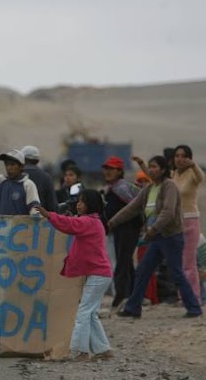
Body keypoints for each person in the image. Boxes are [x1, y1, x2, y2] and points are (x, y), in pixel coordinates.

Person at [111, 155, 202, 319]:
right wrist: (111, 222)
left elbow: (168, 212)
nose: (151, 169)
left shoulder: (169, 187)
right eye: (150, 166)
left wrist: (153, 229)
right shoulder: (149, 189)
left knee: (176, 273)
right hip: (157, 238)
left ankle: (194, 307)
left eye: (154, 166)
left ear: (162, 170)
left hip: (171, 236)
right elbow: (132, 208)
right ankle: (133, 308)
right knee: (143, 271)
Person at [36, 189, 113, 361]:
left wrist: (49, 215)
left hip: (98, 274)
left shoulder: (88, 222)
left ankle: (79, 351)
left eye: (82, 201)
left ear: (91, 205)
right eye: (78, 201)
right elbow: (73, 223)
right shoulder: (94, 221)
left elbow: (69, 225)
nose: (79, 204)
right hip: (101, 274)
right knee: (90, 313)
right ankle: (102, 350)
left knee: (83, 312)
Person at [101, 155, 142, 309]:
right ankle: (131, 295)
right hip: (120, 230)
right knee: (126, 263)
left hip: (127, 229)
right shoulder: (113, 188)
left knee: (122, 264)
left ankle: (120, 297)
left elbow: (133, 208)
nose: (107, 172)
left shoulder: (121, 188)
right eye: (106, 169)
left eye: (111, 169)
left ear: (119, 171)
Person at [171, 144, 204, 302]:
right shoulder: (174, 174)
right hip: (176, 222)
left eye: (183, 156)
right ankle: (182, 296)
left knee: (189, 262)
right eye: (177, 156)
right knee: (178, 261)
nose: (180, 159)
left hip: (191, 219)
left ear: (189, 158)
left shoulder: (192, 173)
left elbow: (201, 178)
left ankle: (194, 297)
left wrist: (194, 165)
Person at [21, 145, 58, 212]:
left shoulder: (15, 176)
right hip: (39, 220)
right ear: (37, 160)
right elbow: (52, 206)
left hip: (15, 221)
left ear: (22, 159)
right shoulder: (46, 177)